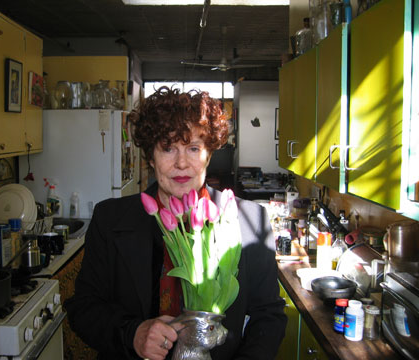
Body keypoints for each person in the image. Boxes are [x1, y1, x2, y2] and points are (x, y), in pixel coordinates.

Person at [64, 86, 286, 360]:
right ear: (150, 158)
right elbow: (83, 308)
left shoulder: (250, 221)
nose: (182, 163)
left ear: (209, 154)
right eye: (168, 148)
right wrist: (131, 333)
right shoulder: (110, 220)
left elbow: (269, 316)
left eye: (193, 148)